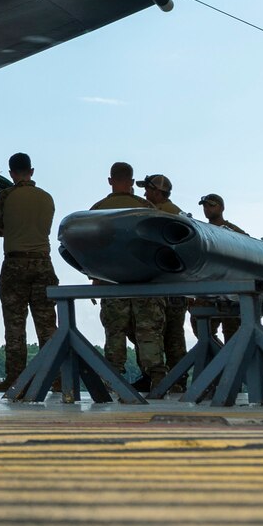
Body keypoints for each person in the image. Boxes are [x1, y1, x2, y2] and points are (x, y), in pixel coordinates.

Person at [0, 152, 57, 392]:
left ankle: (16, 379)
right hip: (43, 264)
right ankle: (56, 379)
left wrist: (11, 229)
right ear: (32, 171)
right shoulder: (46, 198)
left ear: (11, 173)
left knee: (15, 327)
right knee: (47, 326)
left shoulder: (5, 196)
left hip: (15, 265)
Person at [92, 162, 164, 389]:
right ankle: (158, 378)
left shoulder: (98, 210)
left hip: (112, 282)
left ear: (110, 180)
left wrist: (96, 278)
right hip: (144, 281)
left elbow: (90, 250)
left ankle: (113, 380)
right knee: (148, 331)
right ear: (132, 182)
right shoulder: (147, 208)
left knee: (115, 331)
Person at [140, 174, 190, 377]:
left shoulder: (165, 214)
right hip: (174, 284)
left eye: (148, 190)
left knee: (169, 336)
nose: (145, 193)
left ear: (158, 192)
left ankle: (173, 378)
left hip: (167, 284)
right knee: (171, 336)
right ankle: (176, 379)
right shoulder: (177, 214)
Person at [198, 193, 250, 342]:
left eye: (211, 205)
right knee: (202, 330)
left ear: (221, 208)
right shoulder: (202, 232)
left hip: (230, 290)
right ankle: (219, 359)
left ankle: (230, 361)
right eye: (205, 206)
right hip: (207, 289)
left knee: (233, 333)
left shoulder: (234, 232)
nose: (207, 209)